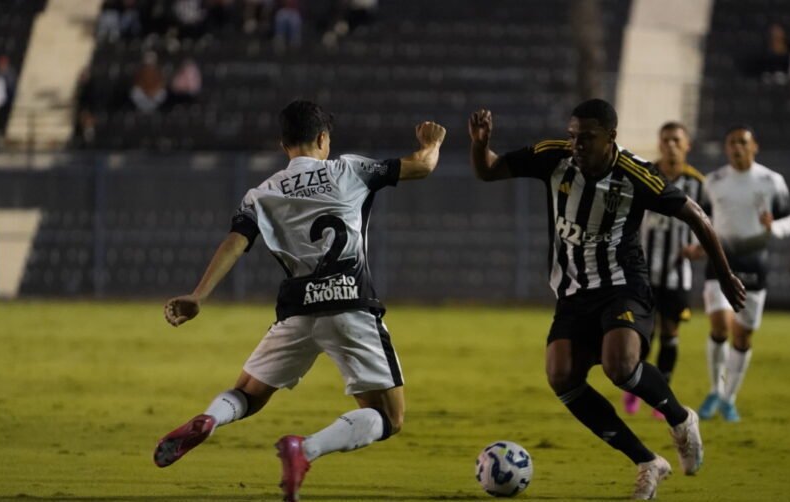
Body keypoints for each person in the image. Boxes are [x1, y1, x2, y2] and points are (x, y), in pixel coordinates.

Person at [154, 100, 446, 502]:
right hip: (350, 305)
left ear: (283, 144)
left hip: (297, 312)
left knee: (246, 394)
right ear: (323, 138)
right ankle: (305, 449)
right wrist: (432, 143)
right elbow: (422, 166)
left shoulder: (263, 192)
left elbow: (235, 243)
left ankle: (210, 418)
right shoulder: (350, 170)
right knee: (389, 417)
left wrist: (198, 294)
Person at [469, 99, 745, 500]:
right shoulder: (554, 157)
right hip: (573, 293)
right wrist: (480, 145)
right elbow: (489, 170)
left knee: (620, 366)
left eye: (587, 137)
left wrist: (725, 274)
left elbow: (696, 216)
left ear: (611, 137)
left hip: (623, 285)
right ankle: (648, 462)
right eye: (573, 135)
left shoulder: (635, 174)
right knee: (561, 376)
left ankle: (680, 419)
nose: (577, 144)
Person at [696, 125, 790, 422]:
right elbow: (700, 219)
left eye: (742, 142)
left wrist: (773, 227)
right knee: (720, 326)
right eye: (732, 143)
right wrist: (696, 245)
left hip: (754, 264)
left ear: (754, 147)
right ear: (726, 148)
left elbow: (788, 221)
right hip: (720, 264)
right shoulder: (713, 181)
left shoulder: (772, 180)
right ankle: (715, 390)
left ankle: (729, 399)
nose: (737, 147)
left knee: (742, 335)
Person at [623, 122, 706, 420]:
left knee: (670, 331)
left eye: (677, 140)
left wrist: (698, 249)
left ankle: (662, 395)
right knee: (644, 332)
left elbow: (709, 226)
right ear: (659, 144)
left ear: (687, 145)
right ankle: (635, 387)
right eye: (666, 140)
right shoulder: (643, 175)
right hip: (641, 271)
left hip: (676, 274)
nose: (671, 145)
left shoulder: (698, 184)